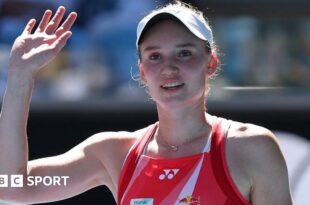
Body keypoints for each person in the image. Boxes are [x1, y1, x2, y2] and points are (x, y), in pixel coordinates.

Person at [0, 1, 293, 205]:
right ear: (142, 71)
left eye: (184, 53)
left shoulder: (253, 147)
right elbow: (11, 187)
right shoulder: (113, 153)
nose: (169, 68)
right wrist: (20, 77)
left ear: (211, 63)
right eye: (155, 56)